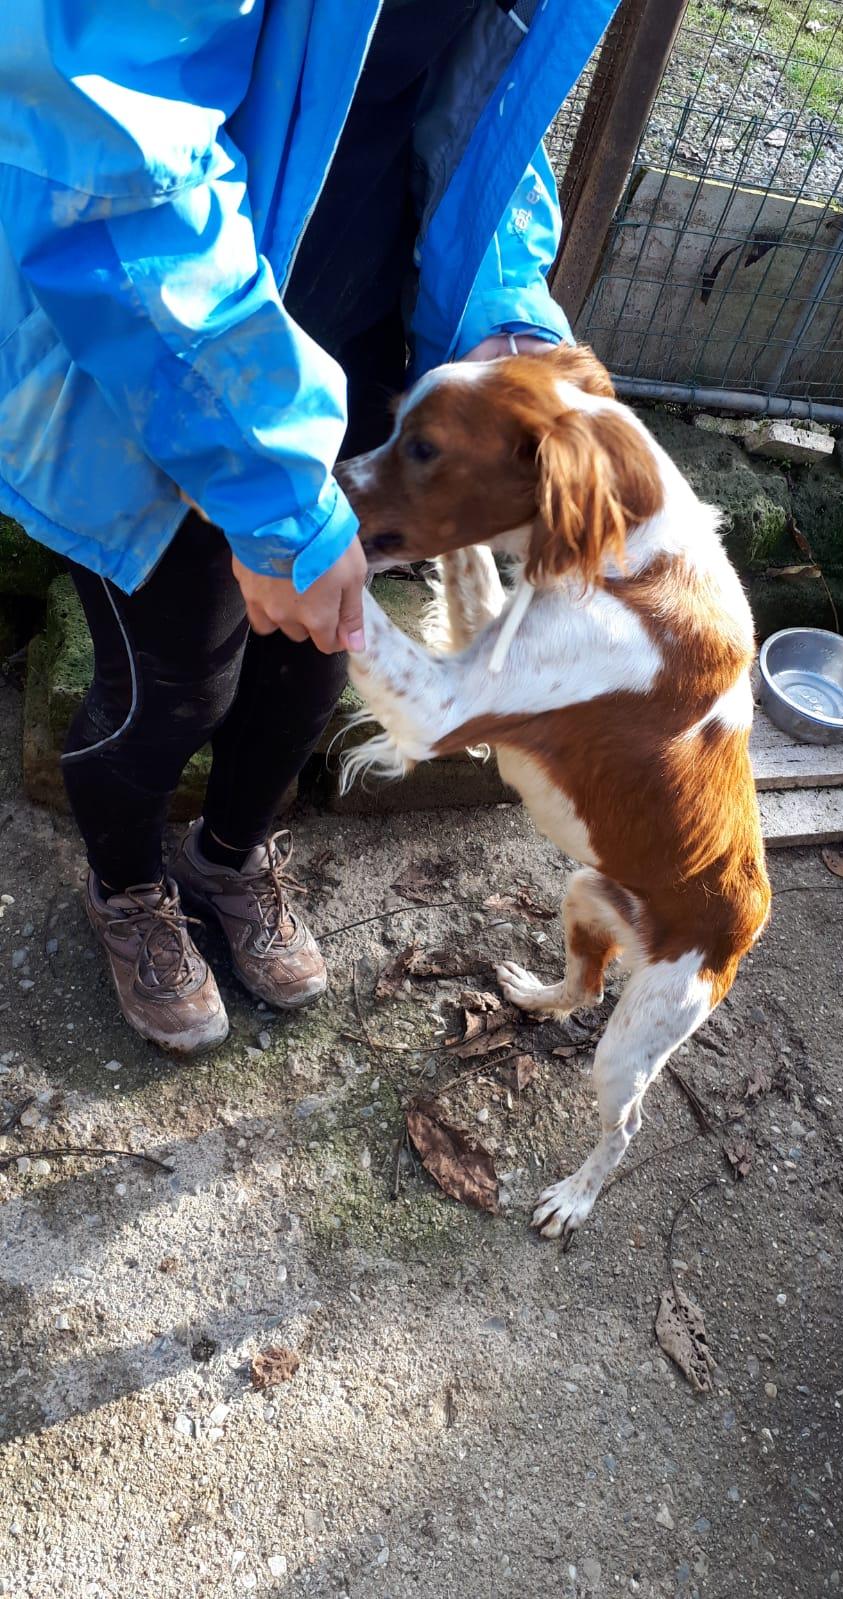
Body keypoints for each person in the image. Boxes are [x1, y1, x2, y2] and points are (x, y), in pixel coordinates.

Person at [0, 0, 614, 1053]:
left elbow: (480, 116)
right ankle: (127, 889)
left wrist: (501, 316)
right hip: (151, 361)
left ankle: (227, 860)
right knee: (173, 689)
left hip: (353, 348)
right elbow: (110, 154)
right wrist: (273, 491)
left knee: (313, 668)